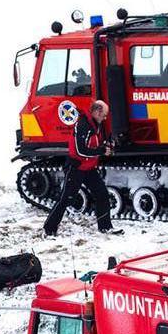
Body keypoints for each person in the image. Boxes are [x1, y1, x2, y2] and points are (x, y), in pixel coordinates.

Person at [43, 100, 120, 236]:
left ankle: (105, 227)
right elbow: (80, 150)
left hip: (89, 168)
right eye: (104, 115)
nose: (105, 118)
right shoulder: (83, 124)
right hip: (76, 168)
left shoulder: (96, 124)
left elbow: (97, 142)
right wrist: (101, 151)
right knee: (66, 198)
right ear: (96, 112)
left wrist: (107, 145)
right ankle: (49, 230)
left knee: (102, 194)